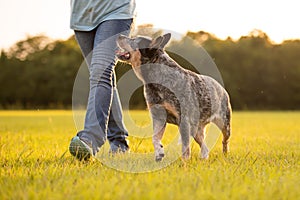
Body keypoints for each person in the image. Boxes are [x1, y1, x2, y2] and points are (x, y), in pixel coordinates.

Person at [69, 0, 136, 160]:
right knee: (104, 76)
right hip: (82, 16)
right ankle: (119, 142)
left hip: (116, 10)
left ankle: (90, 139)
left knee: (101, 72)